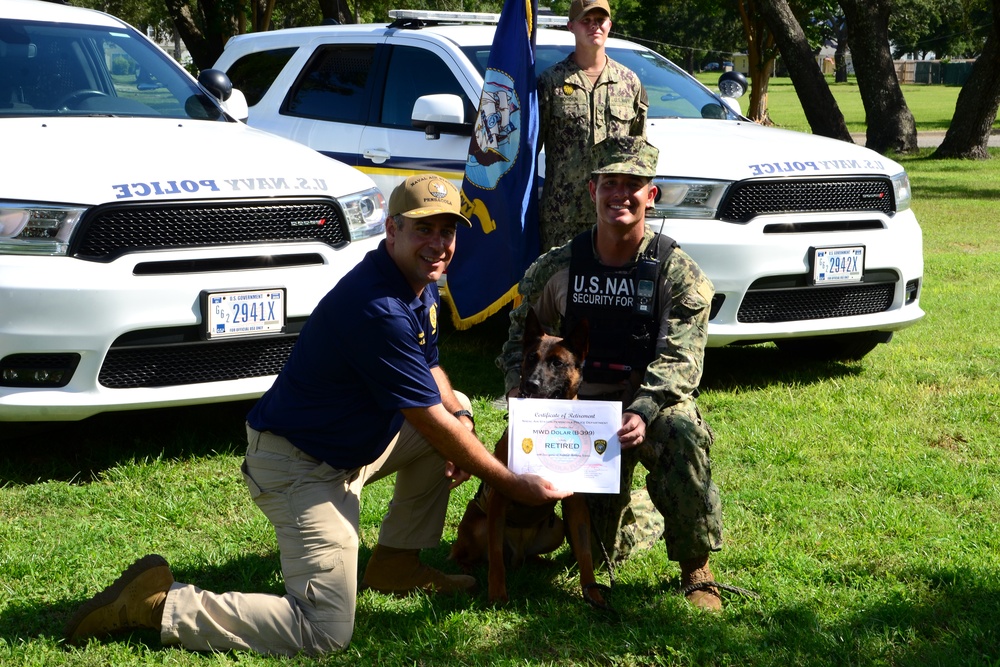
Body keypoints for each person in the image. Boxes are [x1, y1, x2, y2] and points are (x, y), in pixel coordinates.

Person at [65, 174, 570, 656]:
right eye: (423, 229)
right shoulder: (379, 308)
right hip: (299, 466)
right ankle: (157, 604)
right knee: (324, 629)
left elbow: (431, 367)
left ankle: (395, 563)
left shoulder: (419, 280)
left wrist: (461, 418)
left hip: (354, 446)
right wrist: (509, 482)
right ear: (391, 230)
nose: (438, 244)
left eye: (447, 231)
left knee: (455, 407)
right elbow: (423, 415)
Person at [497, 137, 725, 611]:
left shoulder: (675, 271)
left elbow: (681, 359)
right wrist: (518, 392)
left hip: (645, 405)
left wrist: (643, 411)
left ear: (651, 195)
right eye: (609, 184)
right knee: (600, 550)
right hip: (580, 413)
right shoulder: (558, 267)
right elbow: (517, 340)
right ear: (591, 189)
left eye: (632, 185)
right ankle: (640, 513)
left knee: (682, 431)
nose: (619, 194)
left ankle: (696, 569)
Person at [537, 0, 648, 252]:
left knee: (611, 287)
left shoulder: (629, 82)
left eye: (600, 20)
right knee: (560, 288)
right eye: (586, 21)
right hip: (563, 215)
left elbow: (638, 155)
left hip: (617, 213)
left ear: (609, 25)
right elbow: (529, 150)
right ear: (571, 27)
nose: (594, 26)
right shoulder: (550, 83)